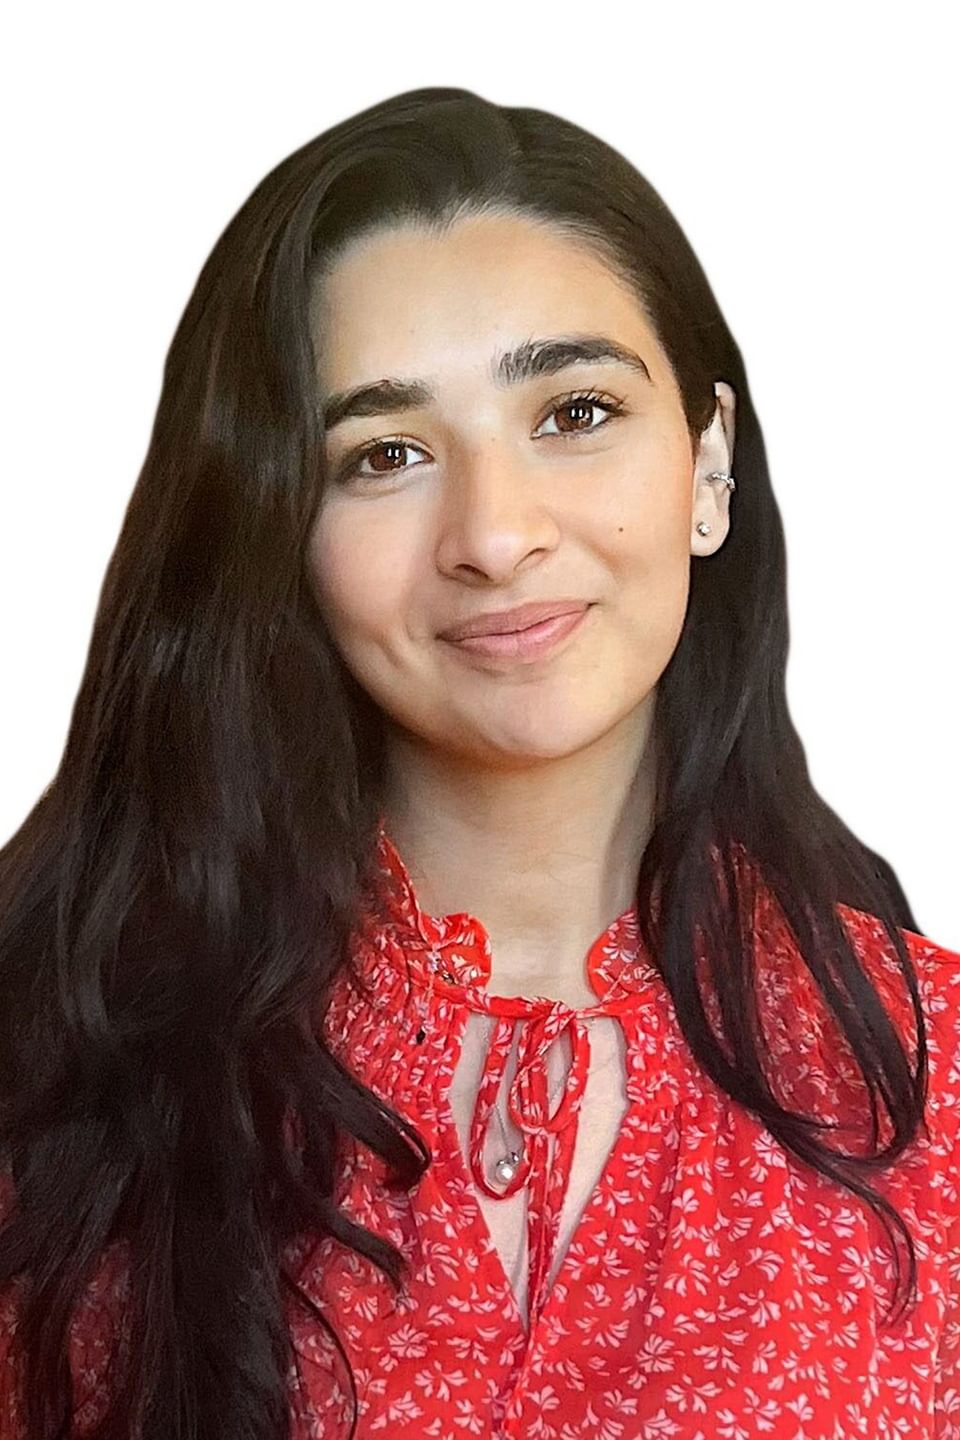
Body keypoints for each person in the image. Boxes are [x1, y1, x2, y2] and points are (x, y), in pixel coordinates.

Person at [0, 86, 957, 1440]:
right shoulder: (56, 1061)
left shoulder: (938, 1078)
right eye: (385, 454)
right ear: (278, 525)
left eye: (573, 412)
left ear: (709, 467)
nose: (495, 534)